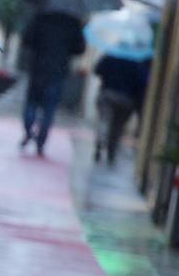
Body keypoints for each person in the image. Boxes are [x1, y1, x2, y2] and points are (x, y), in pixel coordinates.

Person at [19, 10, 86, 156]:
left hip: (38, 69)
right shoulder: (73, 22)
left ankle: (28, 130)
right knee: (49, 109)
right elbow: (80, 49)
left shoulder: (42, 16)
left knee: (32, 103)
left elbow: (26, 39)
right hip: (58, 71)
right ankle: (41, 141)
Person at [94, 54, 152, 164]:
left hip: (108, 93)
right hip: (127, 99)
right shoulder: (137, 61)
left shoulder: (112, 55)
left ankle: (100, 142)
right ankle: (112, 150)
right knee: (118, 127)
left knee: (104, 120)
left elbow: (97, 70)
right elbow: (142, 83)